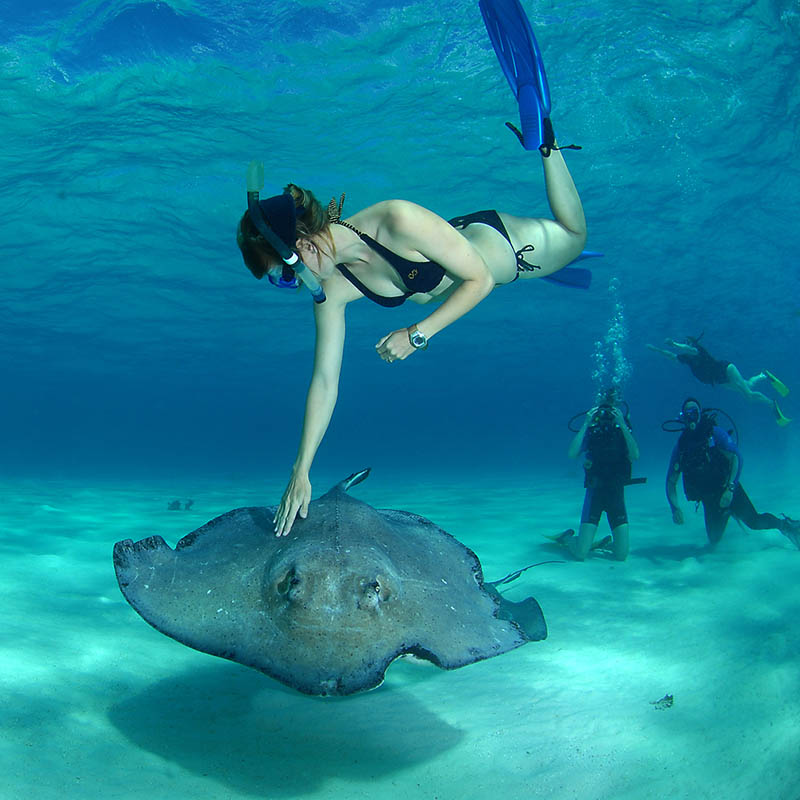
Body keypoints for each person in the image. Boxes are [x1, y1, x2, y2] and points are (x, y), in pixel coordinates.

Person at [237, 8, 593, 534]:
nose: (291, 285)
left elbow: (481, 281)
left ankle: (546, 144)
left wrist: (417, 334)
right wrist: (302, 468)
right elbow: (325, 379)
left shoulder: (394, 218)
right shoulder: (331, 291)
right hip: (442, 257)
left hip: (504, 251)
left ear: (303, 244)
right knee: (435, 284)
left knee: (577, 238)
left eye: (284, 273)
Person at [665, 398, 800, 548]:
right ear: (683, 417)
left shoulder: (714, 434)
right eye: (687, 413)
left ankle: (785, 525)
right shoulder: (681, 447)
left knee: (754, 522)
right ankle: (728, 513)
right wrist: (675, 508)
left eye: (694, 412)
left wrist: (730, 489)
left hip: (728, 488)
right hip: (709, 499)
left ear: (700, 413)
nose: (691, 417)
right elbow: (671, 481)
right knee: (714, 540)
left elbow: (737, 457)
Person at [554, 390, 641, 561]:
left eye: (611, 410)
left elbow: (635, 455)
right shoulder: (593, 431)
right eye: (603, 410)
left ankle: (596, 542)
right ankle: (567, 538)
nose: (607, 415)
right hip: (596, 493)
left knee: (622, 555)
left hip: (616, 494)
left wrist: (623, 425)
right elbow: (572, 453)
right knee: (580, 555)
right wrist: (586, 423)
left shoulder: (622, 431)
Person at [646, 336, 791, 426]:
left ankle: (772, 404)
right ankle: (763, 375)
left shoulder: (697, 351)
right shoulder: (687, 359)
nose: (687, 346)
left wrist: (674, 344)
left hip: (726, 369)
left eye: (688, 343)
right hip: (720, 380)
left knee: (748, 395)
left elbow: (686, 349)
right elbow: (671, 356)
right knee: (748, 385)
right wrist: (656, 350)